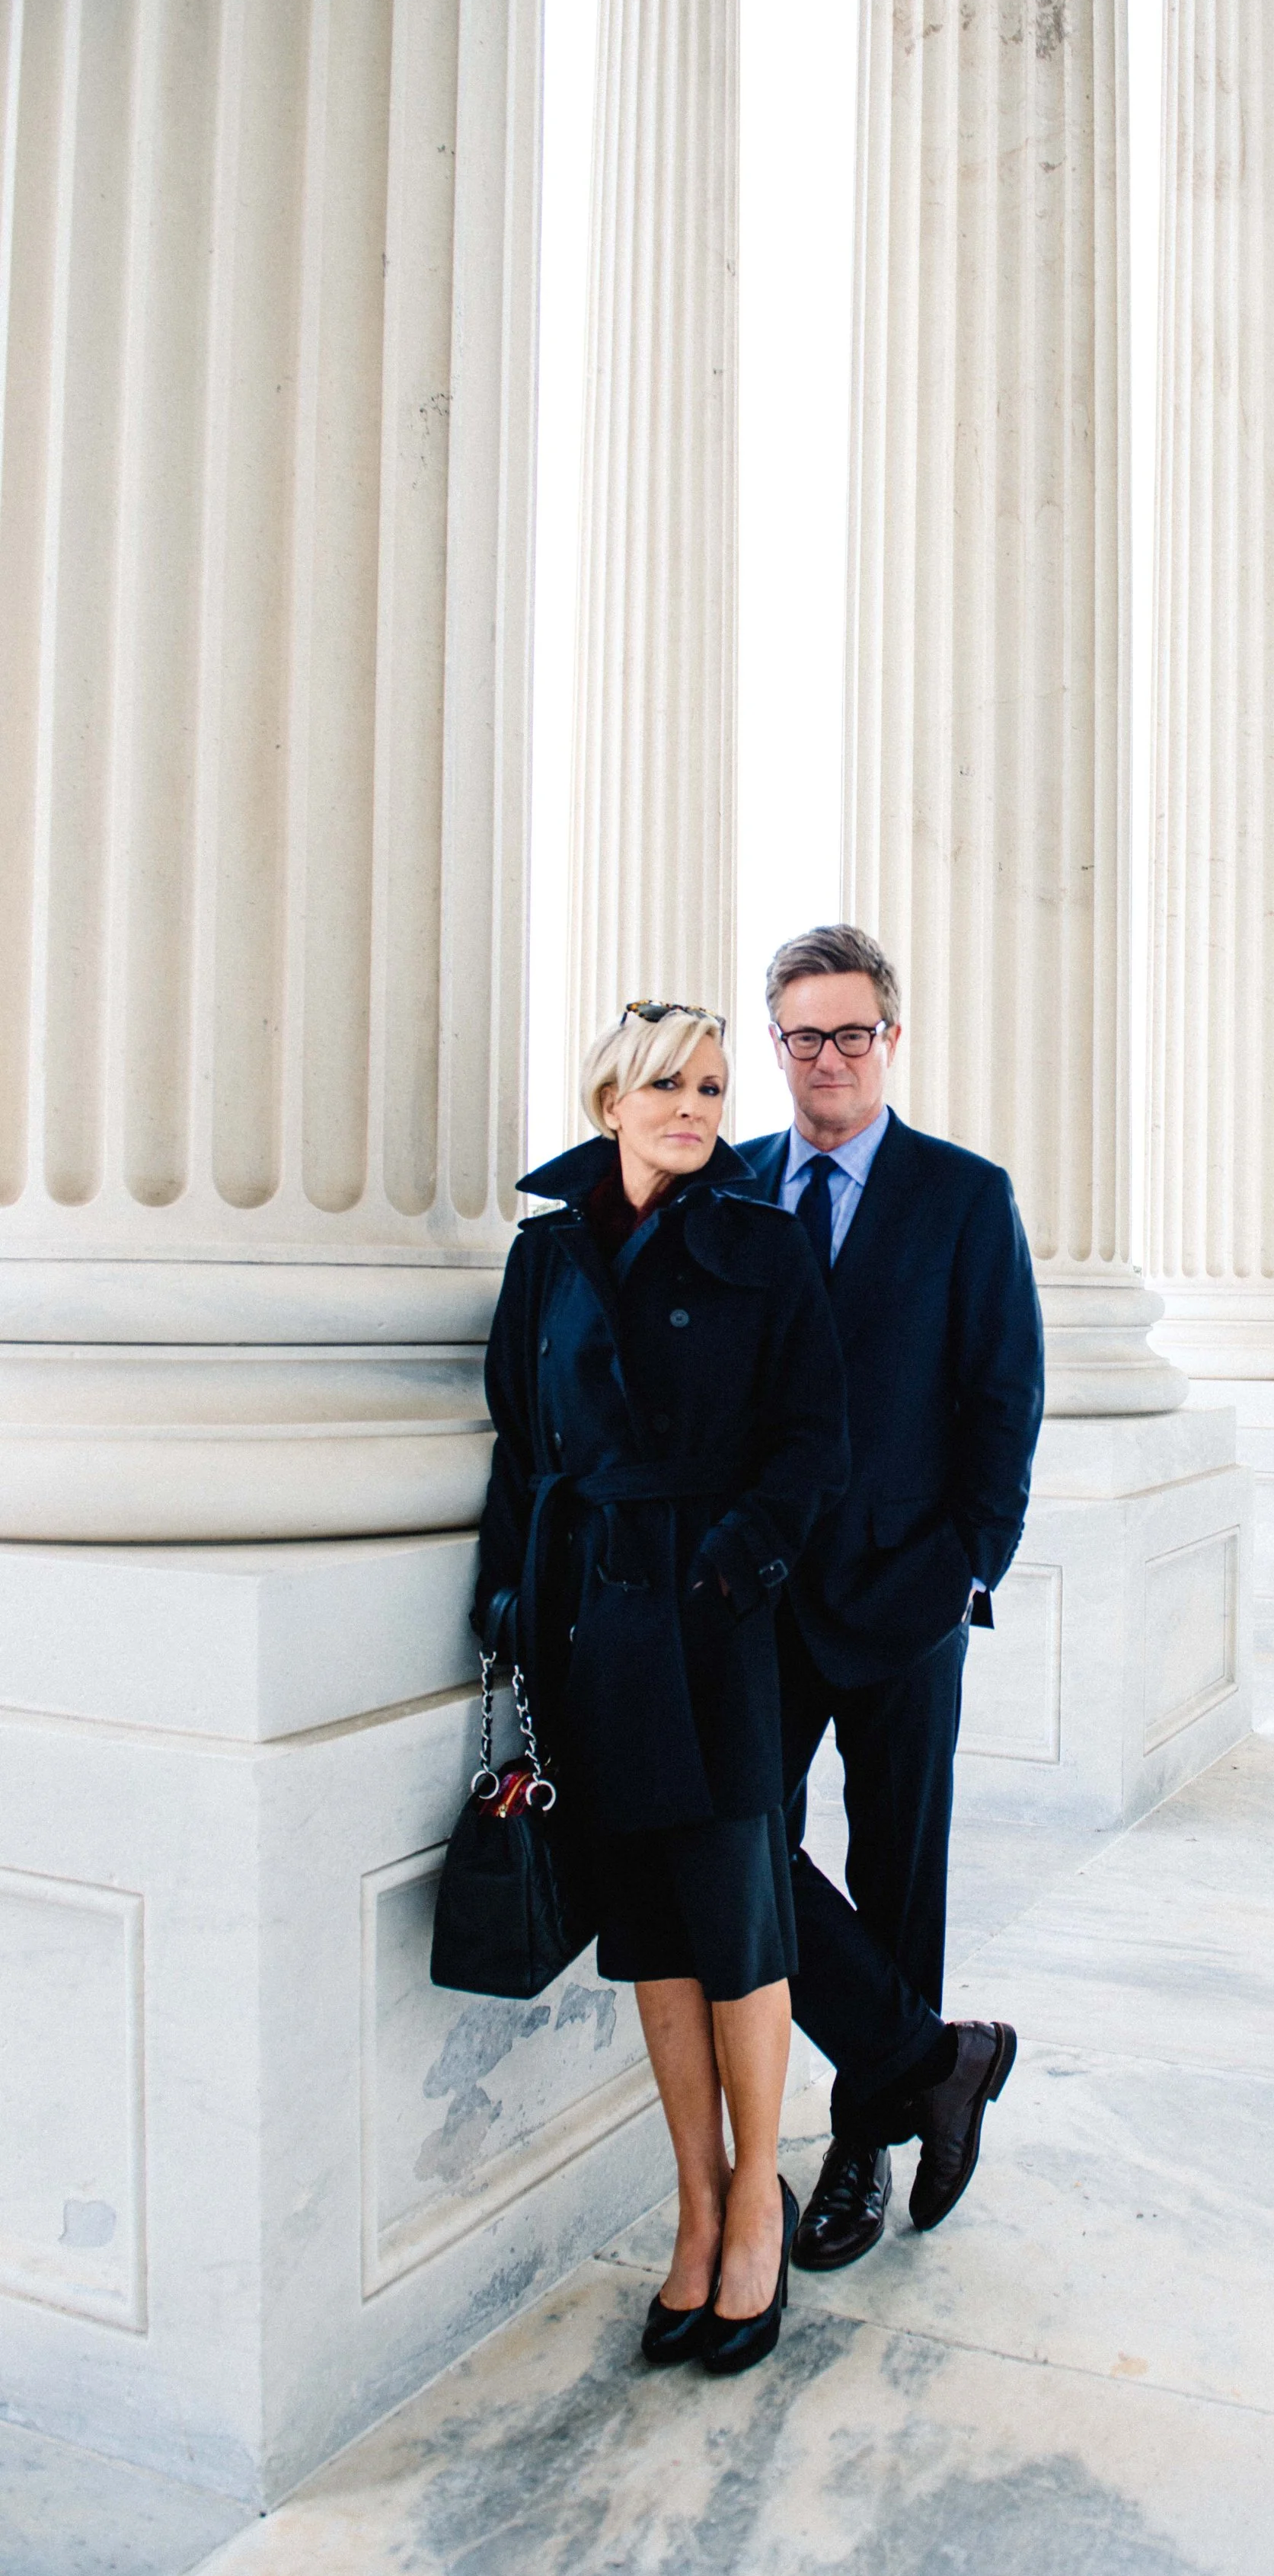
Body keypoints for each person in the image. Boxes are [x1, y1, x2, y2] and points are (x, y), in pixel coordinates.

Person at [473, 1001, 849, 2376]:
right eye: (665, 1083)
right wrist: (508, 1603)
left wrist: (736, 1572)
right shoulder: (545, 1254)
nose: (695, 1104)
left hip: (712, 1624)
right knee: (651, 1937)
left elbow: (817, 1438)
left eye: (710, 1082)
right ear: (609, 1100)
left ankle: (759, 2201)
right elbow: (523, 1445)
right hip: (590, 1626)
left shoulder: (762, 1241)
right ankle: (693, 2206)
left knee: (741, 1924)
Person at [736, 925, 1044, 2271]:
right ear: (778, 1046)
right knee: (742, 1850)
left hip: (909, 1596)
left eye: (852, 1033)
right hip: (762, 1600)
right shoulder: (736, 1186)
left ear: (891, 1041)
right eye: (804, 1036)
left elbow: (1005, 1395)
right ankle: (937, 2060)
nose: (829, 1060)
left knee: (898, 1870)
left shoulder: (966, 1197)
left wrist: (968, 1563)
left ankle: (865, 2137)